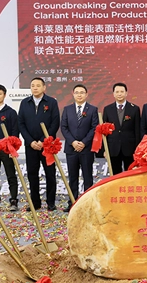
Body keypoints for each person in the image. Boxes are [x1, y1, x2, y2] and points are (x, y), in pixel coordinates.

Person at [18, 77, 60, 211]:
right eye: (32, 85)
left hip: (47, 145)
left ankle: (51, 202)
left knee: (50, 174)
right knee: (32, 173)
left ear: (44, 87)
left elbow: (55, 123)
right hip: (30, 146)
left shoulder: (52, 102)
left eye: (38, 85)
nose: (35, 88)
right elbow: (21, 124)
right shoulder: (25, 103)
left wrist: (43, 141)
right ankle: (35, 203)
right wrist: (30, 141)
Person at [61, 84, 98, 212]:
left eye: (82, 92)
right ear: (73, 94)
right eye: (77, 92)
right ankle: (72, 201)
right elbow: (64, 128)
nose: (79, 95)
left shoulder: (92, 109)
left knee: (87, 176)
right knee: (73, 177)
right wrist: (73, 142)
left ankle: (88, 203)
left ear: (87, 94)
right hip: (71, 149)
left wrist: (83, 142)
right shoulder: (67, 109)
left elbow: (94, 128)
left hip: (86, 149)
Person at [102, 83, 141, 174]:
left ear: (126, 93)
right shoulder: (108, 109)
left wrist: (137, 150)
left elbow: (137, 131)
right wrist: (105, 149)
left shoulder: (134, 109)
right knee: (115, 176)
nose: (119, 94)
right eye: (117, 92)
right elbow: (104, 131)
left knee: (130, 175)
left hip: (130, 149)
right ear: (113, 94)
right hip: (113, 148)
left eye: (122, 92)